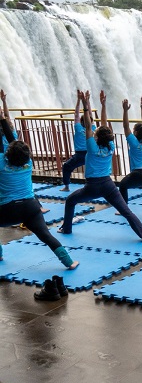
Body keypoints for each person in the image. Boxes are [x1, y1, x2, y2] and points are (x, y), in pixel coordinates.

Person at [58, 91, 142, 242]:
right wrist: (103, 105)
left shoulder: (91, 146)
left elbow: (93, 129)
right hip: (108, 185)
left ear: (96, 137)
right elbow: (104, 126)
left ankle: (66, 228)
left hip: (92, 187)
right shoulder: (111, 146)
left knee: (70, 201)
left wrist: (85, 105)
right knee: (126, 211)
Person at [0, 108, 78, 269]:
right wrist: (2, 119)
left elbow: (6, 146)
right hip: (31, 208)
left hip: (6, 211)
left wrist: (1, 120)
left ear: (7, 154)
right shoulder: (29, 163)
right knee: (46, 235)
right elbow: (12, 142)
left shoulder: (1, 163)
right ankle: (69, 262)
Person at [1, 89, 49, 215]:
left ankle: (37, 206)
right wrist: (4, 101)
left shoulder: (10, 135)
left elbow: (7, 117)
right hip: (10, 163)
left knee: (22, 187)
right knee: (24, 186)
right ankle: (36, 207)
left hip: (11, 163)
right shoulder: (11, 135)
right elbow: (7, 118)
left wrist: (4, 102)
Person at [60, 89, 96, 192]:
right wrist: (87, 101)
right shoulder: (92, 128)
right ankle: (92, 186)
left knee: (67, 167)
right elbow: (90, 115)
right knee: (92, 171)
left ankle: (66, 186)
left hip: (79, 154)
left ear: (80, 121)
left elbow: (76, 113)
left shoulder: (78, 128)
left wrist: (79, 100)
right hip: (90, 153)